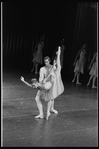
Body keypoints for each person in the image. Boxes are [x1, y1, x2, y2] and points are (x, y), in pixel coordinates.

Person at [21, 47, 64, 120]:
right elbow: (40, 79)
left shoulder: (52, 68)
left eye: (47, 62)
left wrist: (57, 57)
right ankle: (41, 114)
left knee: (51, 97)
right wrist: (42, 81)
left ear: (49, 61)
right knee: (37, 98)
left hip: (49, 84)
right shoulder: (42, 69)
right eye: (45, 62)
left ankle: (51, 109)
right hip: (43, 85)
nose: (46, 63)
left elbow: (55, 70)